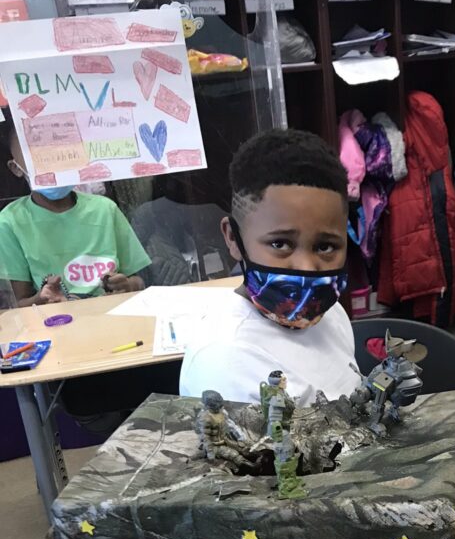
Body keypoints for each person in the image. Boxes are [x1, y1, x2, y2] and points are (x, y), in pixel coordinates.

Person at [180, 128, 359, 406]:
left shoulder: (331, 314)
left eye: (325, 247)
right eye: (280, 244)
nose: (307, 268)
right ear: (233, 238)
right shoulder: (224, 359)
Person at [0, 114, 149, 306]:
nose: (52, 164)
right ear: (16, 168)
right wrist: (43, 298)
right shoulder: (9, 222)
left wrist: (126, 285)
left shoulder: (105, 209)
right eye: (39, 158)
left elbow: (139, 281)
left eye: (60, 152)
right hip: (56, 325)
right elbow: (18, 304)